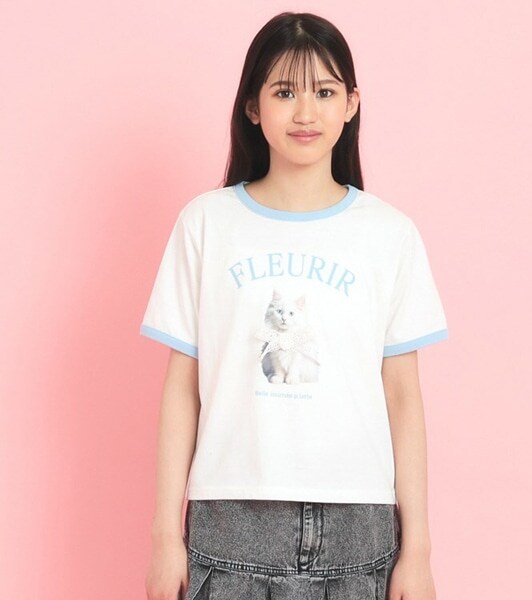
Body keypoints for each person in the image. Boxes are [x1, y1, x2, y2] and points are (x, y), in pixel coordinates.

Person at [140, 11, 448, 600]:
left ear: (351, 103)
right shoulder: (206, 223)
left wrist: (419, 551)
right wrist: (163, 536)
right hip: (229, 523)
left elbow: (403, 397)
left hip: (360, 528)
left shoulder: (389, 234)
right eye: (284, 92)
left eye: (324, 93)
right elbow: (183, 386)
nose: (305, 112)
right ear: (253, 107)